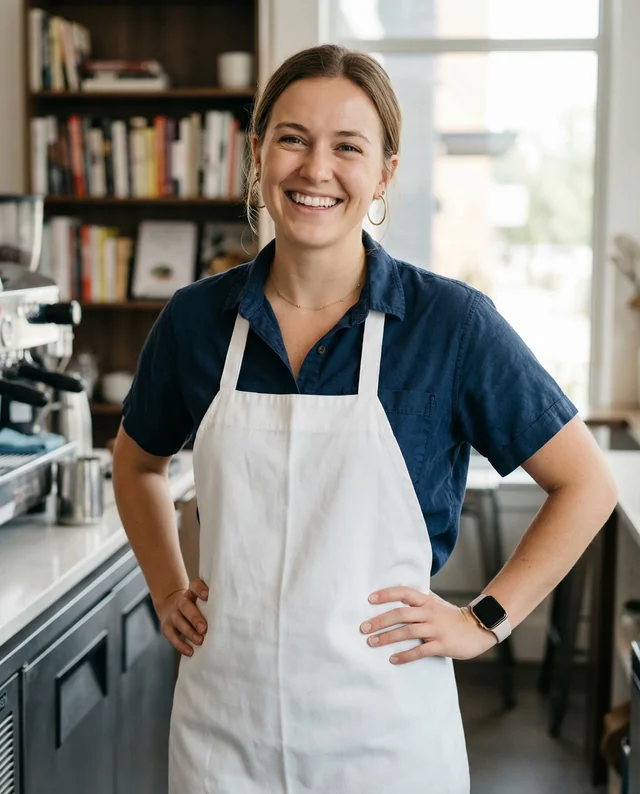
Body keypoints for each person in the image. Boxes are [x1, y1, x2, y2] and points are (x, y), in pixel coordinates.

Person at [113, 44, 618, 794]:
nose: (316, 169)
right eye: (292, 138)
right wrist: (165, 587)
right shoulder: (196, 321)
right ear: (257, 154)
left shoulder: (450, 324)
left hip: (385, 739)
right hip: (224, 735)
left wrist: (483, 621)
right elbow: (137, 461)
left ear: (384, 172)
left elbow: (586, 484)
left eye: (348, 146)